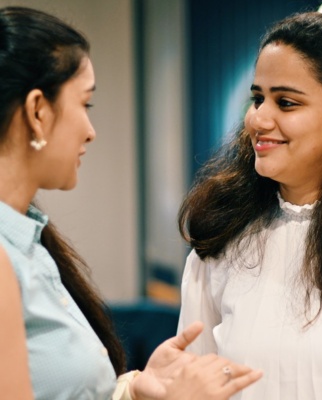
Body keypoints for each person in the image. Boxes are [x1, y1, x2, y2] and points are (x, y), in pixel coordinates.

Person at [0, 5, 263, 400]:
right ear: (38, 111)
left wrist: (130, 390)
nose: (90, 131)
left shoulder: (30, 242)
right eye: (85, 104)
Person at [177, 10, 322, 400]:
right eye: (257, 98)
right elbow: (192, 388)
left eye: (286, 102)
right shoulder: (222, 240)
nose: (258, 119)